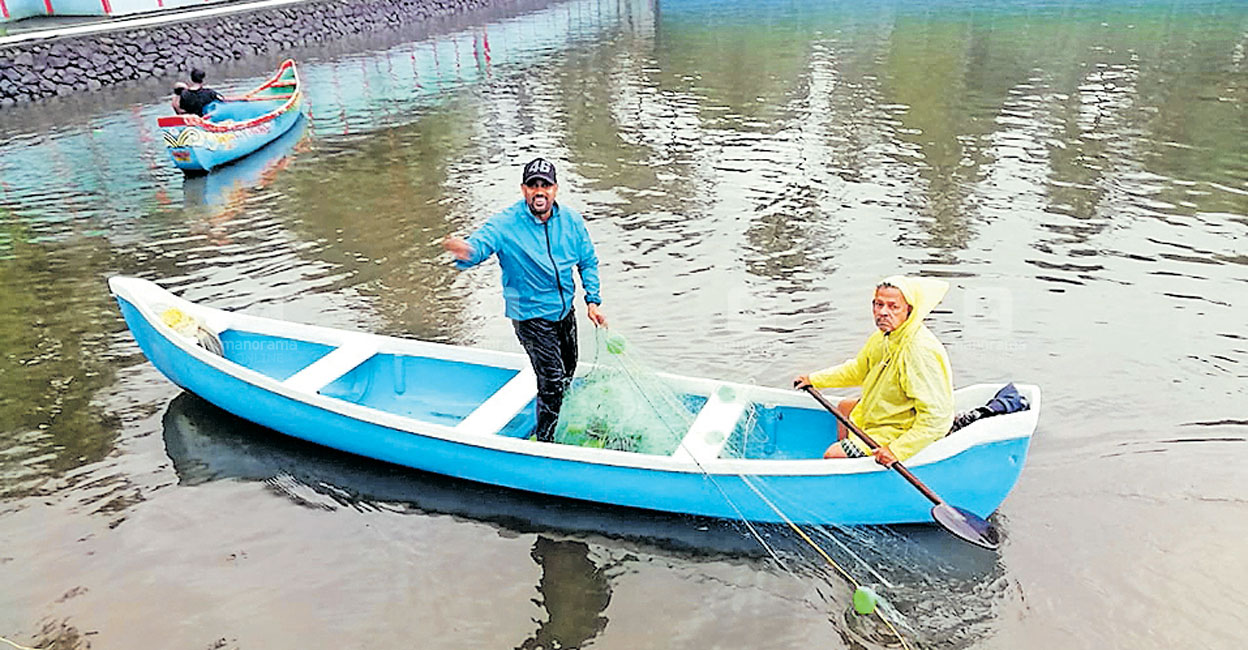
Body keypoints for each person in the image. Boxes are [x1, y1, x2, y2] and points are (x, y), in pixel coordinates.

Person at [443, 158, 608, 442]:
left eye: (545, 185)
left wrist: (592, 301)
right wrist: (467, 251)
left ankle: (559, 420)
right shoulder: (506, 224)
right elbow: (482, 242)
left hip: (563, 312)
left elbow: (587, 261)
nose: (539, 191)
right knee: (552, 381)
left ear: (555, 189)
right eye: (533, 185)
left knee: (567, 372)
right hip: (530, 316)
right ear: (524, 190)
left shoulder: (571, 222)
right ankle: (545, 442)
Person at [794, 276, 954, 466]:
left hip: (900, 428)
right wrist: (813, 379)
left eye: (893, 307)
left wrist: (896, 450)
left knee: (832, 454)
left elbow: (937, 418)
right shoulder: (883, 337)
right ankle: (851, 461)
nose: (883, 312)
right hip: (882, 414)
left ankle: (847, 465)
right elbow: (858, 370)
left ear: (909, 310)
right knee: (845, 407)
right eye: (879, 304)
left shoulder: (919, 350)